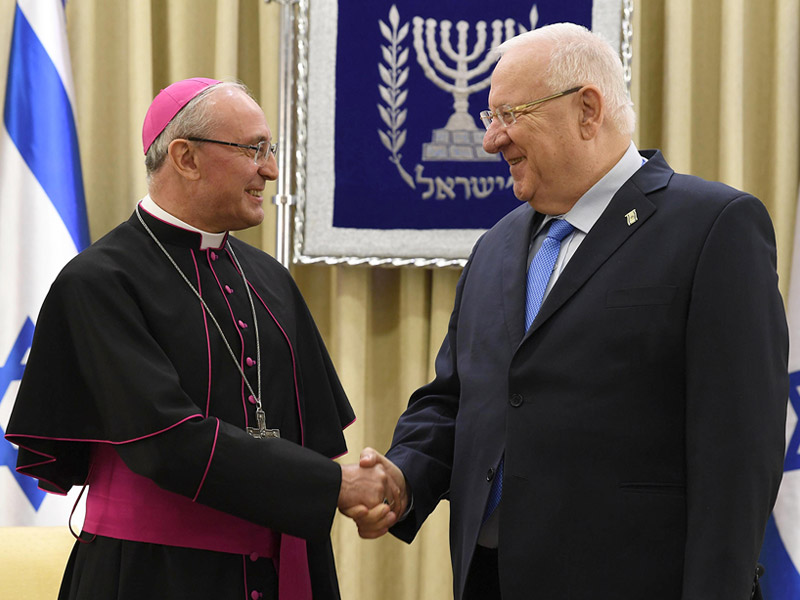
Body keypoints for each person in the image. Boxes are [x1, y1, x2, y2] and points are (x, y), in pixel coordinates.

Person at [354, 23, 789, 600]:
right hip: (489, 580)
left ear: (588, 109)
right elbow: (458, 397)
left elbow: (739, 450)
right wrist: (405, 476)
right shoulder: (495, 246)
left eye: (510, 115)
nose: (491, 141)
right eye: (490, 118)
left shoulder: (712, 226)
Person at [5, 78, 400, 600]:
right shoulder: (98, 282)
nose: (271, 169)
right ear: (185, 157)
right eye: (253, 149)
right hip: (152, 575)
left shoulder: (270, 279)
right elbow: (166, 443)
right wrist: (338, 487)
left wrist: (370, 491)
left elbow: (310, 435)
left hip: (282, 570)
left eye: (271, 149)